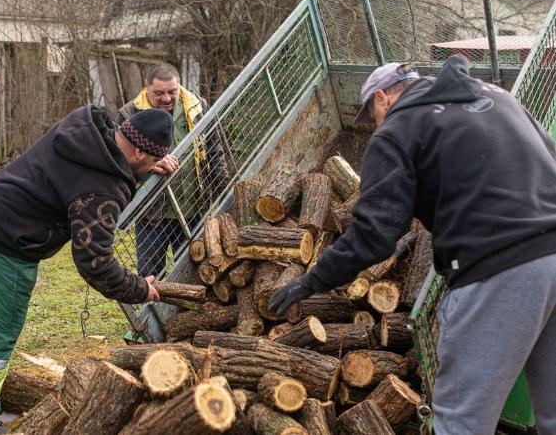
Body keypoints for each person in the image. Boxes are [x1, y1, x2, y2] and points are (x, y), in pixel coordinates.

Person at [267, 55, 556, 434]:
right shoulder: (498, 98)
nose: (375, 125)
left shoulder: (399, 127)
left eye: (372, 115)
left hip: (495, 268)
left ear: (383, 98)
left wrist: (313, 280)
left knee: (461, 420)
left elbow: (375, 233)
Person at [0, 106, 178, 432]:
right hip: (11, 241)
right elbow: (96, 262)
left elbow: (110, 171)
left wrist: (141, 170)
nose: (150, 167)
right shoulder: (101, 188)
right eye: (150, 160)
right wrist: (140, 288)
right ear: (139, 150)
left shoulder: (86, 127)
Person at [116, 62, 227, 278]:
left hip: (194, 209)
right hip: (152, 214)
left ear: (179, 87)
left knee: (193, 273)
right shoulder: (129, 115)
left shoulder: (197, 106)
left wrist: (224, 196)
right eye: (159, 93)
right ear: (146, 88)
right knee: (150, 275)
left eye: (172, 91)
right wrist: (146, 167)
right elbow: (117, 163)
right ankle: (151, 312)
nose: (167, 98)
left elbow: (215, 152)